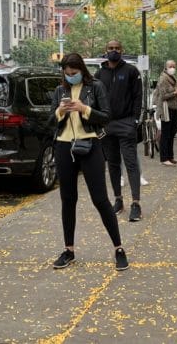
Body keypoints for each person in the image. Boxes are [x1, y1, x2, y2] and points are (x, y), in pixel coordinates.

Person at [50, 53, 128, 271]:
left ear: (81, 70)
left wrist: (84, 109)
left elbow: (106, 116)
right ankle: (69, 249)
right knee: (68, 199)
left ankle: (119, 248)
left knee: (100, 199)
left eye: (73, 73)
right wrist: (60, 111)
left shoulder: (96, 87)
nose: (70, 76)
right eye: (67, 73)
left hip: (89, 145)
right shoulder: (60, 90)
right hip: (64, 146)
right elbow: (50, 120)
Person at [96, 40, 145, 222]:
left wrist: (134, 120)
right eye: (111, 49)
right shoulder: (100, 73)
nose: (114, 51)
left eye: (117, 48)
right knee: (113, 165)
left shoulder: (131, 71)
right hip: (107, 125)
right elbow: (93, 97)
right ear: (106, 51)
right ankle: (118, 199)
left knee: (131, 163)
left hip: (126, 124)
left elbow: (138, 97)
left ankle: (136, 203)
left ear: (122, 50)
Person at [155, 60, 177, 166]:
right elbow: (163, 95)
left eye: (174, 66)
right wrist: (175, 92)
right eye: (170, 66)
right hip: (166, 108)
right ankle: (164, 158)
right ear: (166, 67)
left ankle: (170, 157)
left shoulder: (174, 78)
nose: (172, 68)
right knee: (165, 134)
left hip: (174, 108)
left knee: (171, 133)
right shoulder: (163, 78)